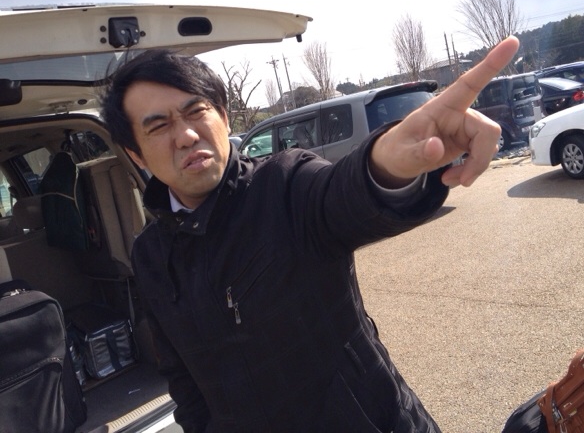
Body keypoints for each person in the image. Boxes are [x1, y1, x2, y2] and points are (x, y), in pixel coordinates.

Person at [101, 36, 520, 433]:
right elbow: (183, 380)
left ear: (224, 117)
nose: (187, 135)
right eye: (159, 126)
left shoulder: (284, 185)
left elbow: (343, 193)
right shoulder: (150, 255)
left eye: (196, 111)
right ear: (136, 154)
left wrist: (389, 165)